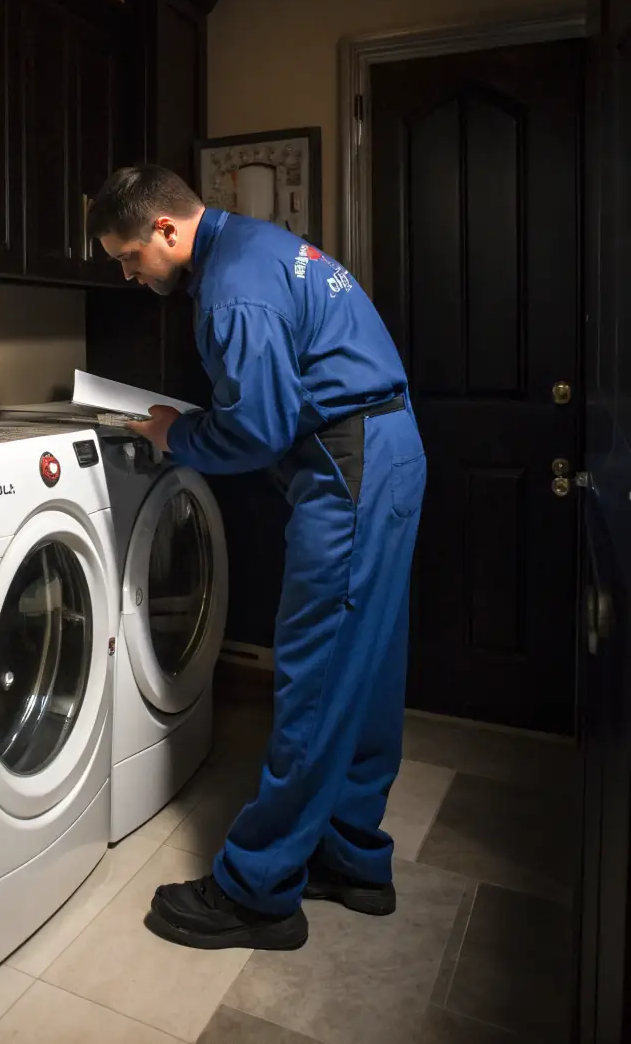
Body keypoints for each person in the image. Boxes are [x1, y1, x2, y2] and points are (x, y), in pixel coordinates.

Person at [86, 164, 425, 953]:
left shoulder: (232, 285)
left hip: (351, 465)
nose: (131, 274)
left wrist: (174, 433)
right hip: (384, 451)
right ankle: (351, 856)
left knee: (315, 676)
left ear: (168, 230)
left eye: (129, 255)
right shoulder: (259, 247)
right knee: (364, 669)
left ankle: (259, 889)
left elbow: (258, 429)